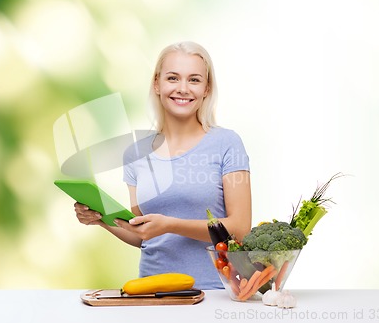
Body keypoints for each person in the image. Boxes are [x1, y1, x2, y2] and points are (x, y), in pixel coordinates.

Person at [74, 41, 252, 289]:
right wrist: (100, 219)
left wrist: (170, 224)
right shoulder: (136, 152)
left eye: (194, 80)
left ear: (206, 88)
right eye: (172, 78)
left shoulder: (227, 143)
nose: (182, 89)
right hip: (151, 290)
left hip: (214, 290)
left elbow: (240, 229)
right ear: (157, 84)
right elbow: (142, 234)